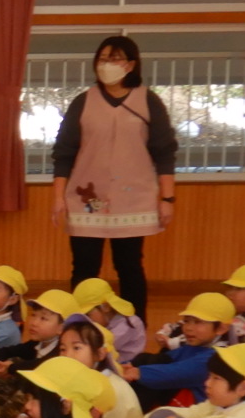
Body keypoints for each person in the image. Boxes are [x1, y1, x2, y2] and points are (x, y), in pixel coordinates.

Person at [50, 35, 179, 311]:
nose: (106, 65)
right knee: (84, 267)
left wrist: (167, 199)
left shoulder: (148, 101)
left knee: (129, 266)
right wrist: (59, 197)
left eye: (114, 59)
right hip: (87, 199)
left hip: (134, 199)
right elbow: (64, 153)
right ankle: (81, 325)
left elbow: (164, 153)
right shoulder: (83, 102)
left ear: (130, 65)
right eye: (102, 59)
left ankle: (135, 326)